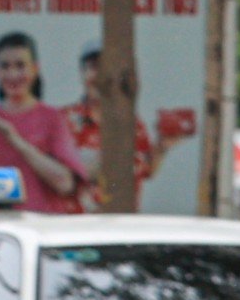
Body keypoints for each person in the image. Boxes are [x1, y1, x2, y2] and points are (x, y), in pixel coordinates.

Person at [0, 31, 86, 214]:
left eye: (20, 66)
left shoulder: (52, 118)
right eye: (5, 67)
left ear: (35, 69)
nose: (12, 74)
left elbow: (65, 184)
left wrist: (16, 141)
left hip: (38, 223)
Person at [67, 44, 182, 202]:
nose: (101, 76)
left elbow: (147, 170)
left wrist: (162, 147)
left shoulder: (132, 124)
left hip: (123, 223)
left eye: (106, 68)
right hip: (75, 224)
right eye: (93, 67)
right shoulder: (63, 121)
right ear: (82, 74)